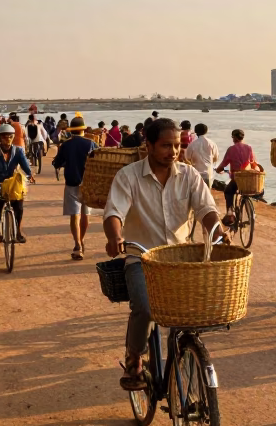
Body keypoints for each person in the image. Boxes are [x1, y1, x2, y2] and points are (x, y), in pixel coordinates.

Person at [103, 118, 227, 390]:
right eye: (165, 145)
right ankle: (135, 357)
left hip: (180, 259)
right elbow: (114, 212)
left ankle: (187, 353)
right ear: (148, 145)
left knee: (192, 314)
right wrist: (115, 237)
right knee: (145, 308)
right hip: (141, 258)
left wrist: (217, 231)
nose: (173, 152)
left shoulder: (189, 175)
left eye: (177, 145)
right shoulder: (128, 176)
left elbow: (206, 209)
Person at [0, 124, 36, 242]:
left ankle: (18, 232)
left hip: (13, 183)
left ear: (13, 137)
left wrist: (30, 174)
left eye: (10, 137)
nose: (8, 139)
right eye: (4, 137)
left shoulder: (18, 151)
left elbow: (25, 164)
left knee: (19, 207)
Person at [52, 116, 96, 259]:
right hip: (88, 184)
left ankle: (77, 244)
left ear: (71, 131)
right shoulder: (91, 144)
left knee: (74, 216)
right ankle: (81, 240)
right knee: (85, 215)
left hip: (71, 183)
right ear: (83, 130)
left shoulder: (66, 145)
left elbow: (57, 162)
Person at [216, 128, 262, 214]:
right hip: (248, 178)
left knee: (228, 191)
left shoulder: (231, 149)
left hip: (237, 178)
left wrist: (218, 170)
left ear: (235, 138)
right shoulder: (249, 148)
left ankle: (230, 213)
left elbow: (224, 164)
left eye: (232, 137)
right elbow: (252, 162)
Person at [184, 123, 219, 190]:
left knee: (195, 192)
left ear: (195, 131)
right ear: (206, 131)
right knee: (207, 192)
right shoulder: (212, 143)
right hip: (208, 173)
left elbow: (187, 159)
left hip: (195, 173)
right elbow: (215, 158)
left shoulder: (192, 144)